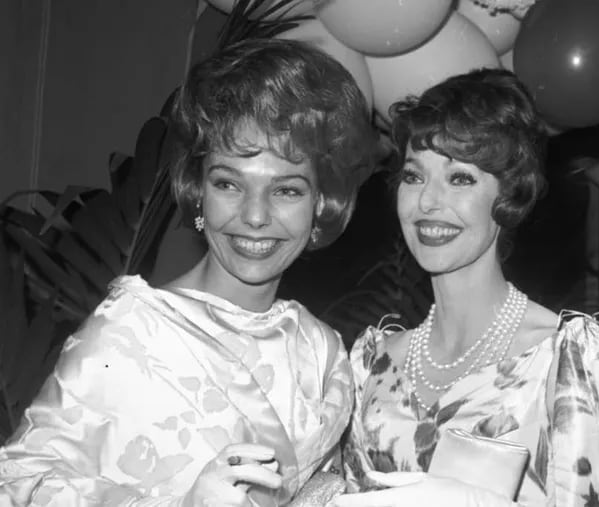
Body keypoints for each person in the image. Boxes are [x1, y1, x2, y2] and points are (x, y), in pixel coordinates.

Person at [0, 38, 377, 506]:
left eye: (287, 191)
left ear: (320, 203)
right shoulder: (132, 331)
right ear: (198, 191)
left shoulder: (319, 349)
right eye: (228, 184)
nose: (254, 216)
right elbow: (17, 483)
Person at [334, 68, 599, 507]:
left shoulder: (560, 360)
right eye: (413, 176)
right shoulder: (372, 363)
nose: (427, 201)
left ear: (510, 195)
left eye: (460, 179)